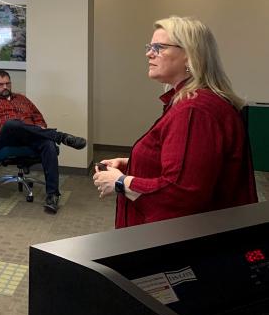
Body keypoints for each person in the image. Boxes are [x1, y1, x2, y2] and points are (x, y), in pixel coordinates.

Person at [93, 16, 257, 228]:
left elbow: (181, 194)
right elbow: (189, 164)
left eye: (159, 47)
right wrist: (136, 162)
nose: (149, 53)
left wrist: (120, 182)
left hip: (177, 246)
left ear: (190, 56)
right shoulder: (194, 102)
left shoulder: (195, 111)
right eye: (150, 46)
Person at [0, 70, 86, 214]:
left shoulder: (22, 99)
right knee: (12, 124)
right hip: (6, 140)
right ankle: (60, 137)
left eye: (8, 83)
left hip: (30, 138)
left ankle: (52, 195)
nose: (5, 87)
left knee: (48, 145)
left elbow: (39, 118)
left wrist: (40, 127)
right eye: (1, 84)